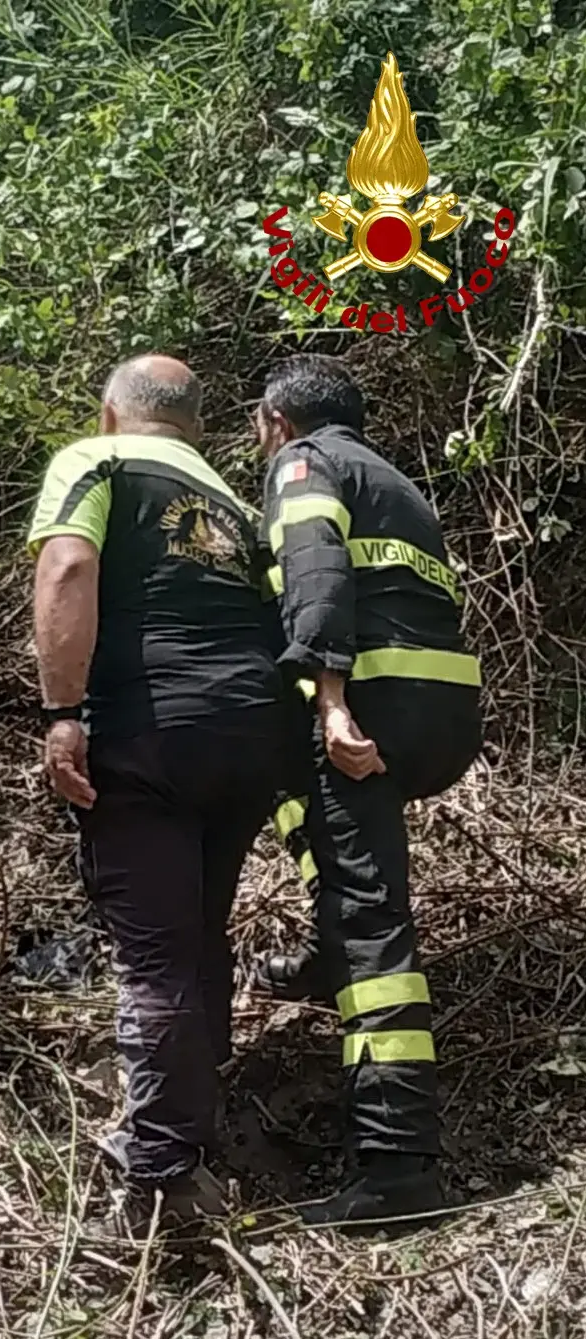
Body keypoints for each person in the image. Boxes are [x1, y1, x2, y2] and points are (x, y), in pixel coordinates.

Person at [27, 354, 291, 1235]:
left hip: (148, 730)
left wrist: (63, 711)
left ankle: (163, 1173)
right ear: (195, 425)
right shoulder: (233, 502)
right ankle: (194, 1104)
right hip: (253, 734)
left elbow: (67, 569)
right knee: (197, 929)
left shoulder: (94, 461)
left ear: (110, 411)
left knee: (153, 955)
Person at [252, 353, 482, 1227]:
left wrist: (329, 698)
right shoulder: (396, 481)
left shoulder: (302, 463)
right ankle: (323, 954)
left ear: (277, 420)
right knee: (296, 801)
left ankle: (397, 1169)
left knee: (373, 926)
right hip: (442, 717)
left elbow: (315, 570)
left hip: (371, 707)